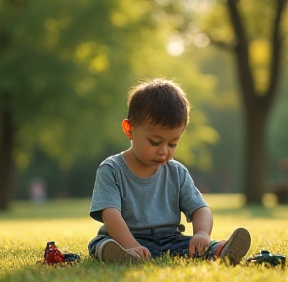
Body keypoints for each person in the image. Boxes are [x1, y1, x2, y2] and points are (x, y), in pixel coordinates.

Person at [88, 78, 251, 265]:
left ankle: (220, 250)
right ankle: (122, 255)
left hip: (169, 240)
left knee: (192, 246)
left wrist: (201, 233)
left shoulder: (177, 172)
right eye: (155, 142)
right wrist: (132, 245)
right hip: (123, 238)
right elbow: (111, 216)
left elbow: (200, 209)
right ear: (129, 129)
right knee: (102, 244)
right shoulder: (112, 169)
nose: (164, 150)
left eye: (173, 143)